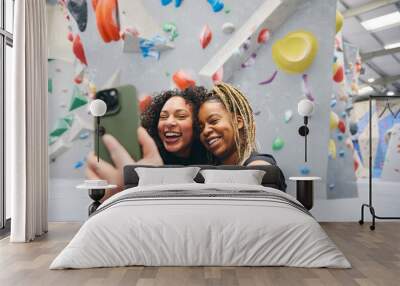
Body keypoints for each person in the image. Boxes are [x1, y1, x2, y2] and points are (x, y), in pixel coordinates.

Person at [86, 86, 210, 199]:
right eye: (163, 117)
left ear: (197, 123)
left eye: (181, 116)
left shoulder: (212, 159)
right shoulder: (146, 158)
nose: (169, 122)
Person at [198, 82, 275, 166]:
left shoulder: (259, 166)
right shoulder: (206, 173)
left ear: (238, 122)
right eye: (201, 128)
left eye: (213, 121)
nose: (205, 131)